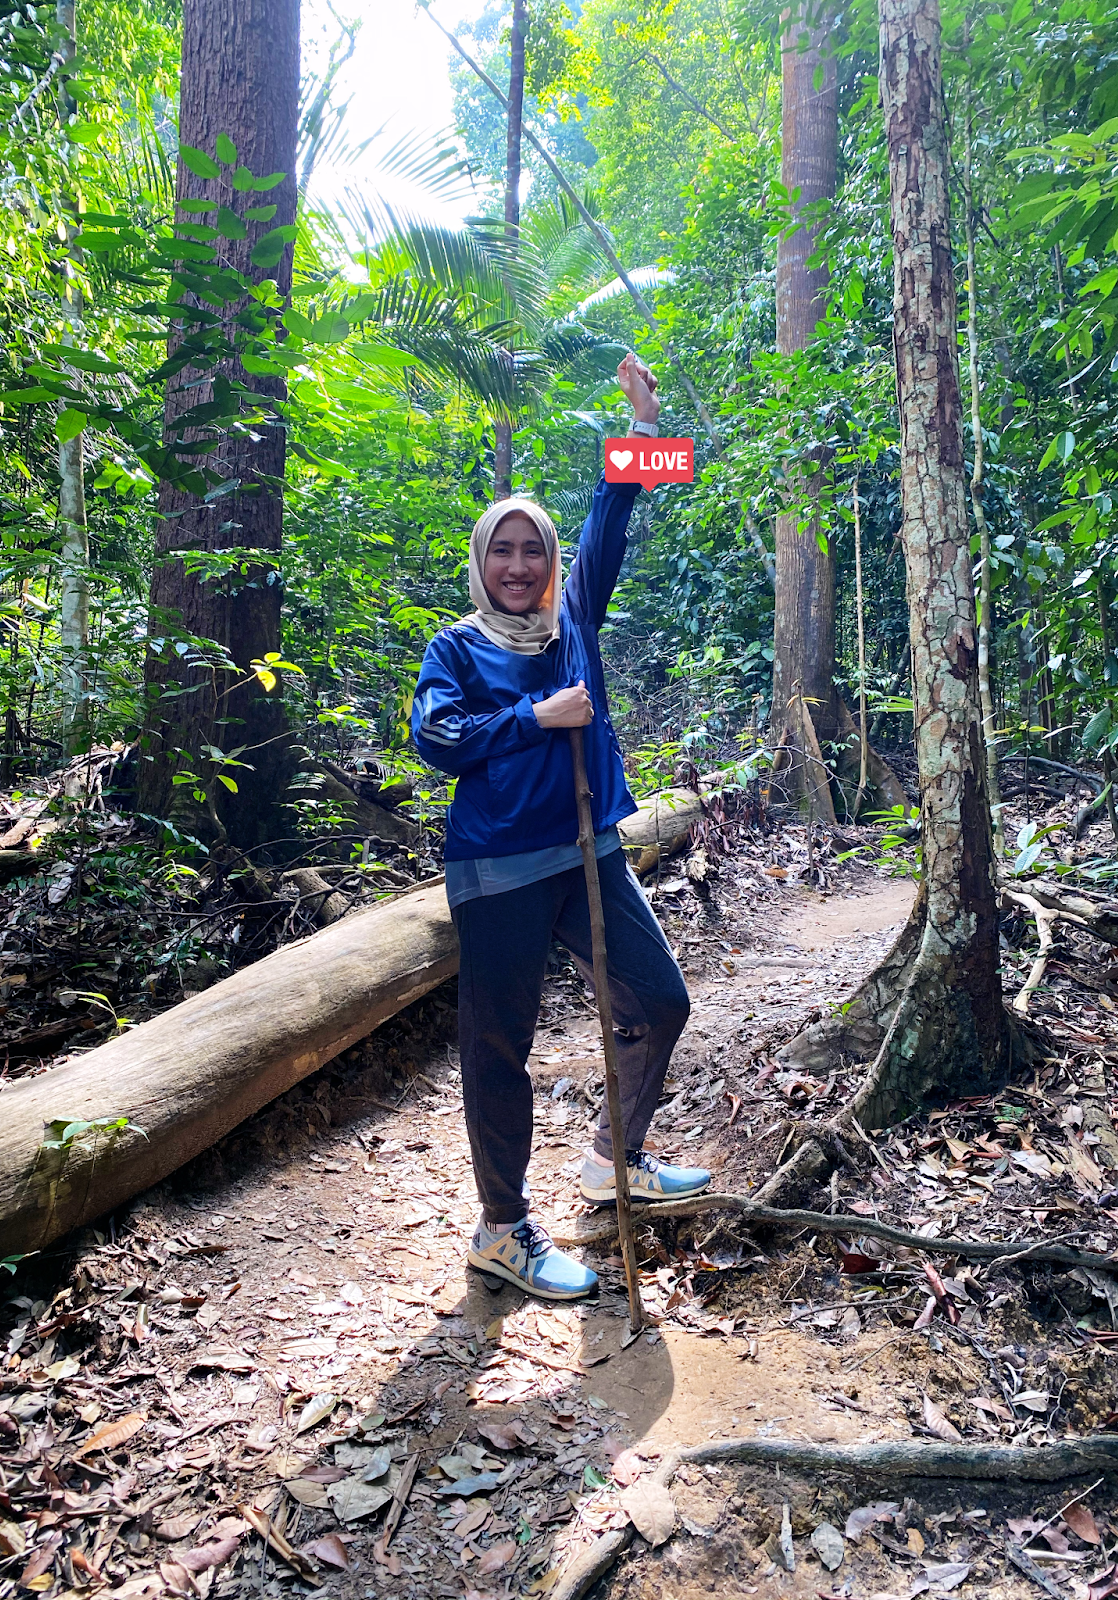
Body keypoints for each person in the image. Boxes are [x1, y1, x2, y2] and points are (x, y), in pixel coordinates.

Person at [412, 354, 709, 1302]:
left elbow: (614, 510)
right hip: (496, 871)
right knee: (500, 1047)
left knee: (660, 1001)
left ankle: (614, 1158)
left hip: (589, 851)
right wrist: (534, 720)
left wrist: (648, 429)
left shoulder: (572, 616)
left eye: (531, 549)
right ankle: (501, 1227)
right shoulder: (454, 647)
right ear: (481, 561)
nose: (518, 566)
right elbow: (435, 737)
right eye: (502, 551)